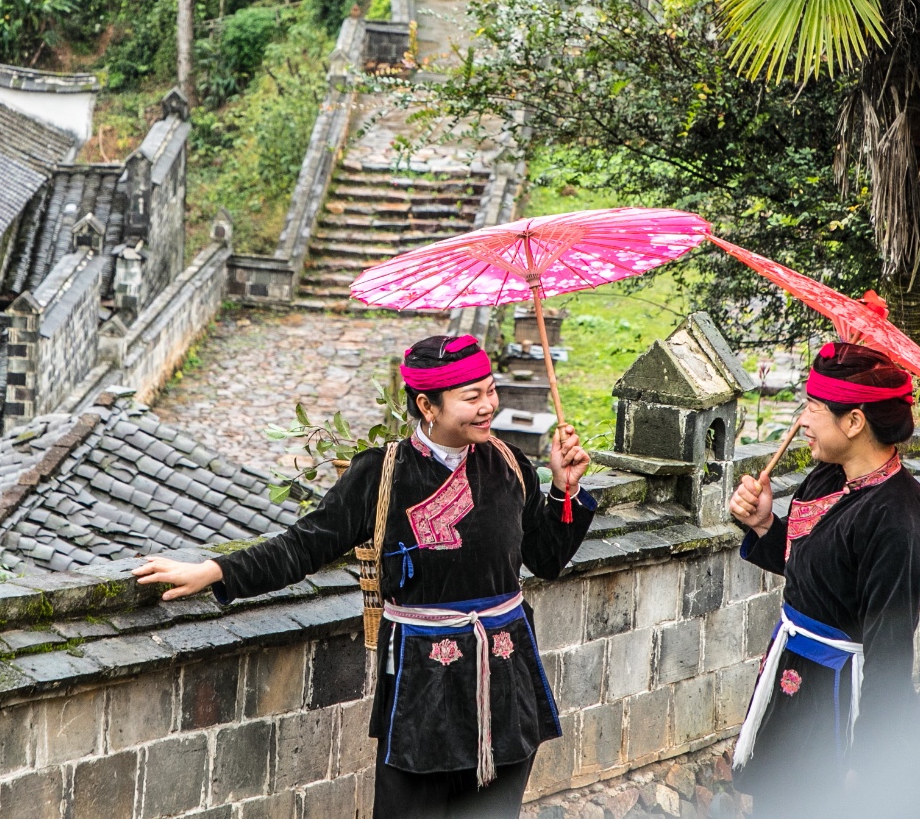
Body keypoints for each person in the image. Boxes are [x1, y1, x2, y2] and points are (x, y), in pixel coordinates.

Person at [133, 333, 596, 817]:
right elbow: (303, 546)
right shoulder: (382, 473)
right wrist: (216, 570)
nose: (489, 406)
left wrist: (565, 489)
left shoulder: (509, 464)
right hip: (423, 684)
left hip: (504, 679)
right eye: (472, 396)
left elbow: (544, 560)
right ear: (427, 404)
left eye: (491, 390)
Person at [727, 340, 920, 785]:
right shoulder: (830, 475)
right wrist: (766, 524)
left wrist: (868, 762)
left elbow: (890, 649)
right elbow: (816, 572)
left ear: (854, 421)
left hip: (840, 699)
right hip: (797, 675)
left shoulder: (898, 520)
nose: (801, 420)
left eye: (812, 407)